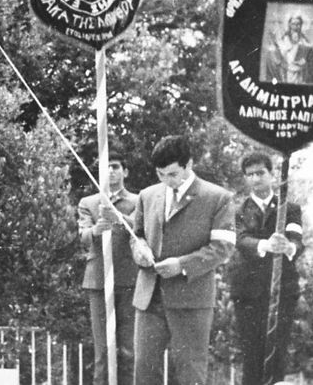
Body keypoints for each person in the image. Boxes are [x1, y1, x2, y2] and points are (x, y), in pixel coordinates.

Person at [130, 135, 235, 385]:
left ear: (189, 164)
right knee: (144, 370)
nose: (167, 180)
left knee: (190, 372)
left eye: (173, 174)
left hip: (191, 300)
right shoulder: (147, 195)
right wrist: (140, 251)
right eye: (160, 174)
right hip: (149, 298)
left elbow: (224, 247)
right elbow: (137, 237)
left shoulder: (218, 197)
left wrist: (182, 265)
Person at [229, 152, 304, 385]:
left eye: (260, 173)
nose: (255, 178)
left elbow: (297, 240)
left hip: (282, 291)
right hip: (248, 293)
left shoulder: (289, 208)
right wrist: (265, 245)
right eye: (250, 175)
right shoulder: (239, 210)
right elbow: (241, 240)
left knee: (277, 352)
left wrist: (288, 247)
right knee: (252, 355)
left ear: (272, 174)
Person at [77, 151, 138, 385]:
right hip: (98, 281)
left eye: (115, 166)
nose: (110, 172)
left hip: (129, 279)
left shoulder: (137, 200)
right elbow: (83, 235)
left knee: (127, 349)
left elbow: (142, 228)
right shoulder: (89, 203)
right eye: (106, 167)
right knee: (102, 349)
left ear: (125, 171)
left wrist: (119, 217)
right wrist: (95, 230)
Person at [264, 13, 313, 85]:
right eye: (293, 24)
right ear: (289, 25)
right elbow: (277, 55)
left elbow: (309, 57)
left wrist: (304, 62)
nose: (296, 27)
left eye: (298, 24)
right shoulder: (283, 40)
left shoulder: (305, 42)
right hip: (284, 72)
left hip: (300, 75)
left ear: (301, 25)